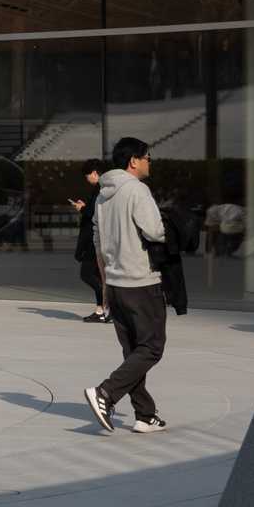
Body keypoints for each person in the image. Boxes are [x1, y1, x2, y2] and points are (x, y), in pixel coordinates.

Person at [84, 138, 169, 436]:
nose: (149, 162)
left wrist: (106, 283)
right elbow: (156, 231)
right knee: (152, 347)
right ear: (133, 160)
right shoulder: (136, 190)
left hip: (116, 284)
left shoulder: (102, 194)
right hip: (140, 282)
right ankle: (105, 393)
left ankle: (145, 415)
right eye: (147, 157)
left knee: (133, 350)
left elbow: (97, 239)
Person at [70, 158, 107, 323]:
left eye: (87, 175)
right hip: (99, 236)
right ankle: (100, 311)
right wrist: (84, 207)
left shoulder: (100, 188)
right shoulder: (104, 187)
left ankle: (112, 301)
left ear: (94, 172)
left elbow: (96, 214)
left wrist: (82, 209)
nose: (87, 179)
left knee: (87, 273)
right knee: (98, 274)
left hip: (95, 237)